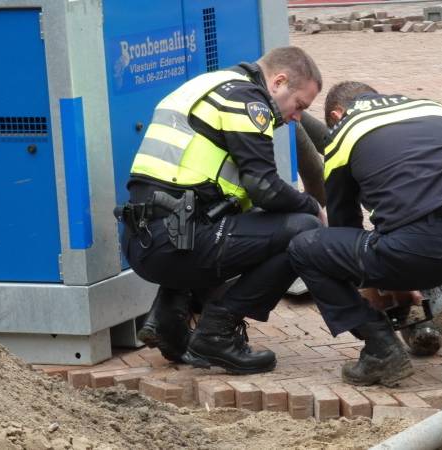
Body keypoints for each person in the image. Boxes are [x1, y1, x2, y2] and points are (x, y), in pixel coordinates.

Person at [287, 81, 442, 387]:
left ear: (335, 114)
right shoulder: (438, 110)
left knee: (304, 248)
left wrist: (376, 284)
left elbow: (345, 225)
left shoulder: (343, 132)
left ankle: (381, 350)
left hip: (409, 254)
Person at [117, 46, 325, 375]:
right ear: (278, 82)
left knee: (252, 225)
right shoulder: (247, 100)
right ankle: (218, 332)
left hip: (144, 238)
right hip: (177, 241)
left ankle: (171, 325)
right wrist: (313, 206)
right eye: (299, 105)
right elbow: (265, 188)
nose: (297, 117)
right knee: (303, 229)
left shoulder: (209, 84)